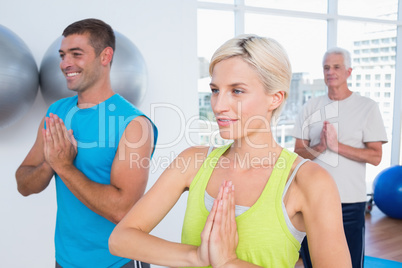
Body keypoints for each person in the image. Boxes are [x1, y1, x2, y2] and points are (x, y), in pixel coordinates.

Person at [108, 34, 351, 267]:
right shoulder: (193, 161)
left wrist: (228, 262)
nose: (219, 105)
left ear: (275, 98)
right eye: (215, 90)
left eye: (237, 91)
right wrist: (196, 257)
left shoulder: (307, 181)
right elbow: (120, 239)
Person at [15, 18, 157, 268]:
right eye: (62, 55)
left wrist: (65, 167)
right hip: (66, 261)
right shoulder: (56, 112)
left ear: (105, 56)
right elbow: (24, 183)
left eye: (76, 54)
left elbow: (121, 211)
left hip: (118, 261)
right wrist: (52, 163)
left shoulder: (133, 124)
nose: (65, 64)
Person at [292, 47, 388, 268]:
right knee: (313, 262)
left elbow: (375, 156)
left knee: (350, 262)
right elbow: (297, 152)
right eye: (326, 67)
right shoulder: (311, 107)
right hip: (313, 200)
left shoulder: (367, 107)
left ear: (348, 71)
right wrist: (321, 146)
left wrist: (336, 146)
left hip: (350, 202)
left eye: (336, 67)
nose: (330, 72)